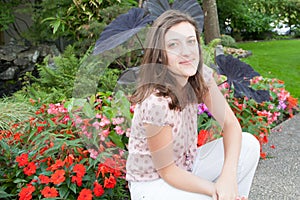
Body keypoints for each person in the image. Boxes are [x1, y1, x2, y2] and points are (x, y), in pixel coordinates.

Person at [125, 10, 260, 200]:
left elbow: (231, 125)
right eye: (174, 45)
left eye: (190, 41)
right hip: (153, 185)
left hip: (187, 166)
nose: (186, 51)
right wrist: (214, 189)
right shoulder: (156, 102)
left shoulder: (200, 77)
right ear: (161, 55)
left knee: (248, 145)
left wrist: (228, 180)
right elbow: (168, 172)